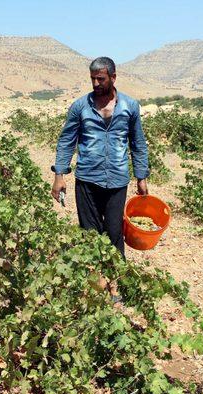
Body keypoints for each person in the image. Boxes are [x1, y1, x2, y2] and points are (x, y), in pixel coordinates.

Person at [51, 57, 149, 260]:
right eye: (93, 79)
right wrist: (59, 175)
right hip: (87, 178)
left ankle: (115, 285)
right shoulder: (80, 106)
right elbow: (66, 141)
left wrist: (141, 177)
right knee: (89, 233)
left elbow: (137, 143)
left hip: (117, 180)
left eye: (101, 79)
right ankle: (94, 284)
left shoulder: (130, 106)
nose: (96, 83)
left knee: (114, 233)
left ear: (113, 77)